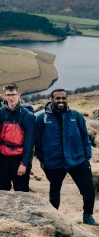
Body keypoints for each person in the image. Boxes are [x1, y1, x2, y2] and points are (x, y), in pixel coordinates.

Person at [35, 89, 97, 225]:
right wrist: (42, 159)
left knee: (88, 190)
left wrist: (86, 156)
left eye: (63, 98)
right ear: (51, 100)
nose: (61, 101)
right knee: (55, 190)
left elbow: (84, 136)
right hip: (54, 161)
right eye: (57, 98)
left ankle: (88, 216)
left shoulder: (76, 116)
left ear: (66, 99)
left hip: (77, 160)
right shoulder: (42, 118)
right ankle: (54, 218)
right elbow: (37, 141)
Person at [0, 83, 35, 192]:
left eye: (13, 94)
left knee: (21, 191)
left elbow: (30, 142)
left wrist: (24, 163)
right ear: (4, 96)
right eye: (8, 95)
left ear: (19, 95)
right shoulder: (0, 113)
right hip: (2, 158)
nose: (11, 97)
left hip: (19, 158)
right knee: (2, 190)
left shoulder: (27, 115)